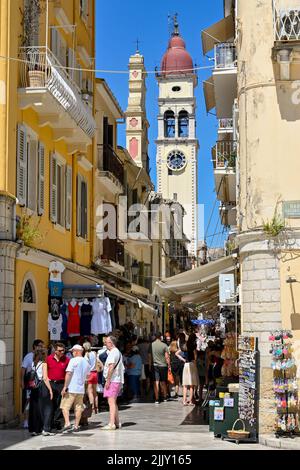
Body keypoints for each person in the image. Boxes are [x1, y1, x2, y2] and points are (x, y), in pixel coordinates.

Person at [60, 344, 91, 433]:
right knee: (78, 407)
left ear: (77, 351)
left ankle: (67, 423)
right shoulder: (86, 362)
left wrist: (65, 387)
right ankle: (76, 425)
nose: (72, 353)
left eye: (73, 351)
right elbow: (88, 376)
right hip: (80, 389)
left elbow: (68, 373)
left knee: (65, 407)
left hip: (71, 387)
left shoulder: (73, 361)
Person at [28, 348, 53, 436]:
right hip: (42, 386)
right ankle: (45, 429)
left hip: (34, 387)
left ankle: (35, 429)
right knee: (47, 408)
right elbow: (45, 378)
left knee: (35, 408)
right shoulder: (44, 364)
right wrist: (50, 390)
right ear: (43, 355)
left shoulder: (33, 363)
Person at [101, 335, 124, 430]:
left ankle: (111, 423)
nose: (105, 344)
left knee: (111, 402)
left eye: (106, 342)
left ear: (111, 343)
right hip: (116, 380)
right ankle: (117, 422)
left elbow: (111, 367)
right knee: (113, 402)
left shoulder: (113, 353)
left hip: (113, 380)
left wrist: (108, 380)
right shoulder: (116, 352)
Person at [21, 339, 44, 429]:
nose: (42, 347)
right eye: (40, 346)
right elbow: (23, 369)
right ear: (35, 346)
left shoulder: (42, 356)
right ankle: (26, 420)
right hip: (31, 383)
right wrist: (22, 382)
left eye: (42, 346)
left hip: (40, 383)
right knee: (28, 401)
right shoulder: (29, 356)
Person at [47, 342, 70, 431]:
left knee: (60, 404)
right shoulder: (49, 359)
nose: (62, 352)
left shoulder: (67, 360)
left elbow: (68, 373)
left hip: (61, 384)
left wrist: (66, 386)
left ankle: (55, 421)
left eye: (63, 350)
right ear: (55, 351)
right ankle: (50, 422)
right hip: (51, 384)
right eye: (60, 351)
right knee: (50, 404)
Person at [148, 332, 171, 404]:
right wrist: (169, 365)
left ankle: (157, 398)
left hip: (155, 366)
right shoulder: (164, 345)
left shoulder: (151, 345)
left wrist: (149, 365)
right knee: (163, 382)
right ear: (160, 337)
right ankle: (164, 397)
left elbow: (149, 357)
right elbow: (167, 357)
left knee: (156, 382)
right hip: (163, 366)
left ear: (155, 337)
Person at [181, 333, 199, 406]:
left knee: (185, 384)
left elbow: (179, 353)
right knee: (192, 384)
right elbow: (195, 357)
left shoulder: (185, 345)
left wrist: (183, 359)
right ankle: (191, 401)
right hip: (192, 364)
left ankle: (184, 400)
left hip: (186, 364)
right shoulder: (194, 346)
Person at [83, 341, 98, 413]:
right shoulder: (94, 353)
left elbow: (85, 366)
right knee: (95, 392)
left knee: (89, 392)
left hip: (90, 374)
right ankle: (96, 408)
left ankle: (92, 408)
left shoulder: (86, 354)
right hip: (95, 373)